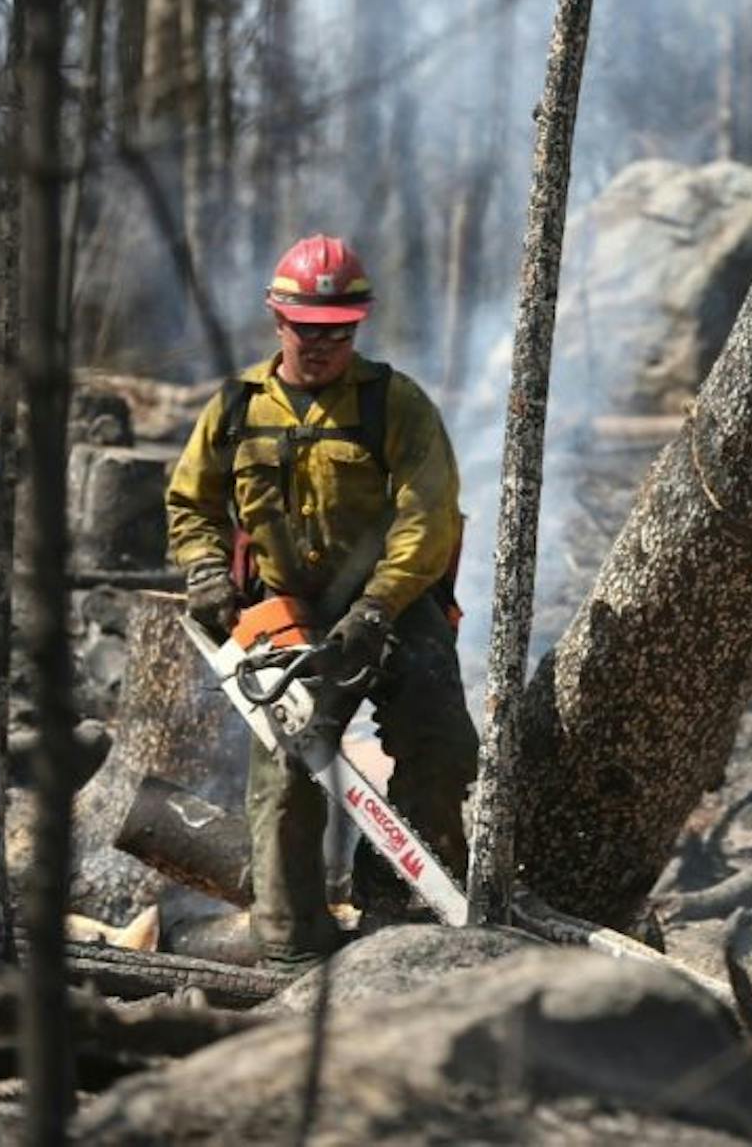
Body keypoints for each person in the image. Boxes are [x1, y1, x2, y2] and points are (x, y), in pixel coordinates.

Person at [165, 233, 478, 967]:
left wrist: (377, 607)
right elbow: (191, 503)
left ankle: (401, 898)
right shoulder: (237, 406)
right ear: (279, 320)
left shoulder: (394, 405)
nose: (321, 345)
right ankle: (290, 944)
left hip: (393, 603)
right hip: (287, 606)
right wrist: (208, 573)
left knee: (443, 743)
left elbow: (429, 517)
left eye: (337, 332)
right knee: (285, 768)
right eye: (307, 330)